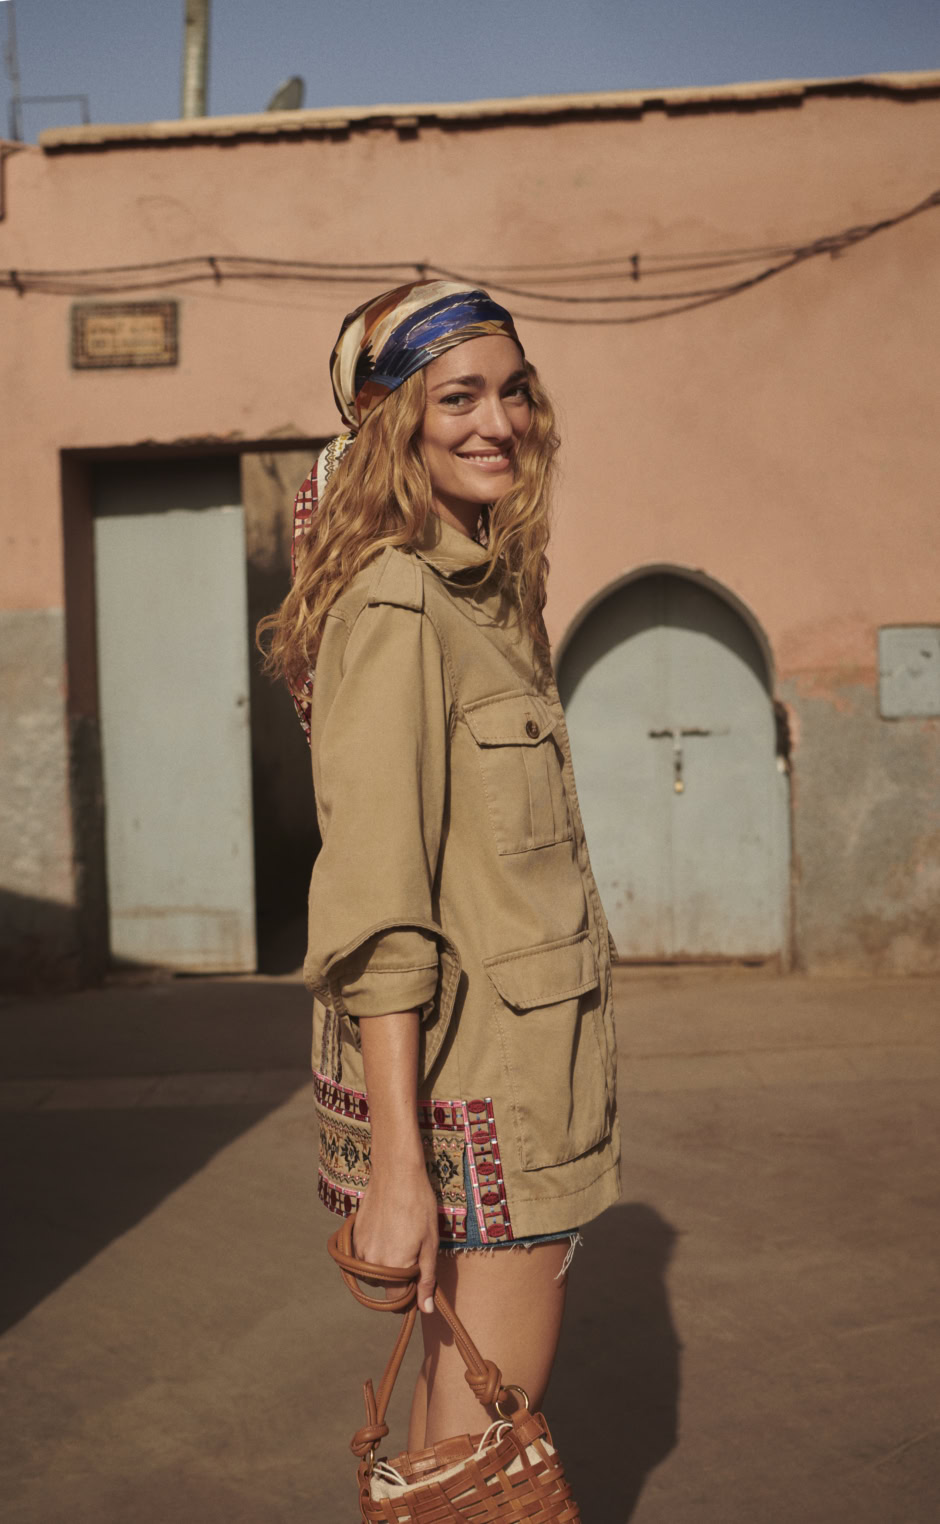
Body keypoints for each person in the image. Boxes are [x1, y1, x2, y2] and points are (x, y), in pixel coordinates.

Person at [259, 279, 620, 1453]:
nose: (498, 421)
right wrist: (402, 1171)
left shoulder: (486, 595)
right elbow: (377, 909)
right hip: (483, 1111)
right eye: (457, 395)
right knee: (477, 1459)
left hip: (529, 1083)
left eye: (513, 391)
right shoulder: (399, 605)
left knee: (454, 1457)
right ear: (392, 422)